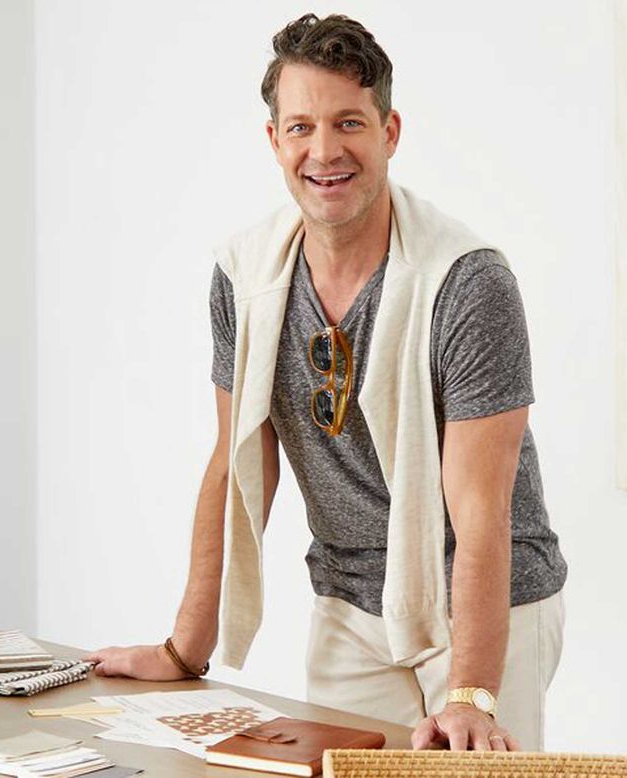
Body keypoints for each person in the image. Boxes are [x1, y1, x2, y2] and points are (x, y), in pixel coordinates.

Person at [85, 12, 567, 752]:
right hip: (347, 604)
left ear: (389, 132)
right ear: (274, 140)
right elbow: (237, 465)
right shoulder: (244, 279)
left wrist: (472, 692)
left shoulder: (466, 282)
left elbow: (482, 511)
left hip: (482, 612)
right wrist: (184, 648)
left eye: (349, 123)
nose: (325, 151)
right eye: (302, 126)